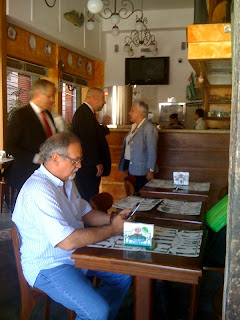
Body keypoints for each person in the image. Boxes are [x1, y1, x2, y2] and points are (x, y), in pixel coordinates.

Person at [12, 132, 132, 320]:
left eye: (80, 159)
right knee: (96, 310)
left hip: (74, 255)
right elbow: (67, 242)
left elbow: (86, 212)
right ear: (56, 158)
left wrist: (112, 220)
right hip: (48, 265)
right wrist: (113, 229)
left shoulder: (66, 181)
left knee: (122, 276)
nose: (80, 165)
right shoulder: (39, 190)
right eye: (75, 160)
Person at [5, 79, 57, 191]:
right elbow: (10, 146)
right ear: (38, 94)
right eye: (49, 96)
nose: (53, 100)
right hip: (26, 175)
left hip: (47, 174)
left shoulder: (47, 114)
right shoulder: (20, 115)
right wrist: (36, 158)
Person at [71, 87, 111, 202]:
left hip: (89, 166)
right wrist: (97, 162)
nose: (104, 102)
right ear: (94, 98)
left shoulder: (88, 113)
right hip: (88, 167)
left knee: (91, 195)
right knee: (89, 198)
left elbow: (94, 134)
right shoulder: (84, 114)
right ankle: (89, 220)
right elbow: (87, 141)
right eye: (103, 98)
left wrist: (103, 127)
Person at [118, 101, 158, 193]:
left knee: (141, 194)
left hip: (142, 170)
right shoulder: (134, 127)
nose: (129, 113)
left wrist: (151, 170)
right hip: (131, 167)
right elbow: (129, 148)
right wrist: (125, 165)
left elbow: (152, 151)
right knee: (133, 193)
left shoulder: (149, 128)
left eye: (132, 110)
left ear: (140, 112)